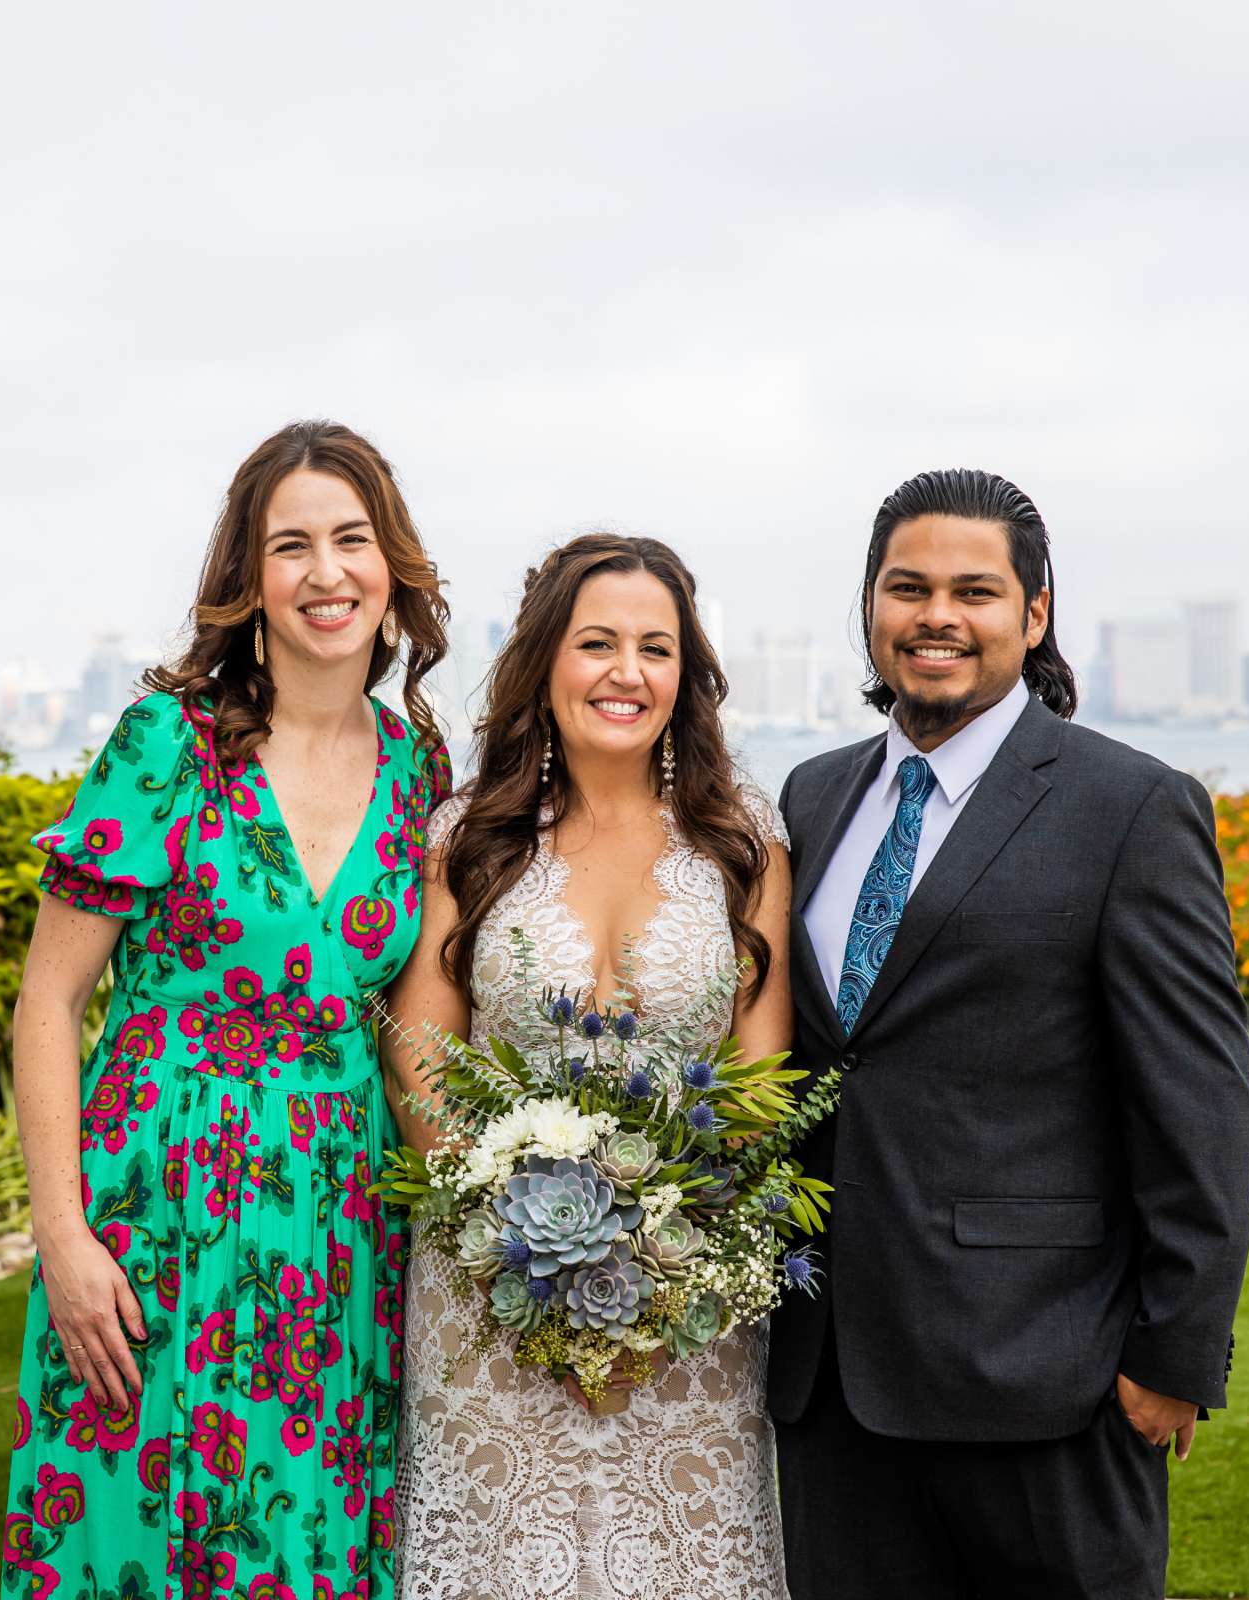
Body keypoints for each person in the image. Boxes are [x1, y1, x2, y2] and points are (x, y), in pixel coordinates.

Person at [769, 468, 1249, 1600]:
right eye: (908, 587)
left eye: (974, 590)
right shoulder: (810, 798)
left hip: (1050, 1376)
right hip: (830, 1381)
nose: (937, 615)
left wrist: (1175, 1352)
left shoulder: (1130, 806)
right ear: (872, 608)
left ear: (1033, 615)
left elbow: (1198, 1098)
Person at [0, 420, 454, 1600]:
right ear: (249, 578)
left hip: (341, 1235)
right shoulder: (170, 741)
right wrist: (61, 1238)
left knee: (308, 1548)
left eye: (351, 539)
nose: (326, 572)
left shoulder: (422, 773)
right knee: (137, 1544)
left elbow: (417, 1039)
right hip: (154, 1217)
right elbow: (49, 1001)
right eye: (290, 544)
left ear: (391, 564)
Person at [381, 534, 795, 1600]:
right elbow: (420, 1065)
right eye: (597, 642)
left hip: (689, 1320)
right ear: (544, 663)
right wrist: (515, 1254)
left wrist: (661, 1274)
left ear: (685, 674)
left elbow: (756, 1087)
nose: (627, 672)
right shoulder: (468, 835)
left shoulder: (743, 841)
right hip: (487, 1309)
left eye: (655, 648)